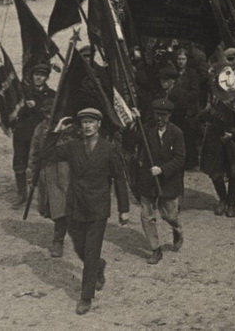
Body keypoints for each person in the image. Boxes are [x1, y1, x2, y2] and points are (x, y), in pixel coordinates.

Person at [47, 108, 131, 316]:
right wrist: (56, 131)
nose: (87, 126)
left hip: (97, 207)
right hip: (75, 205)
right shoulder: (72, 146)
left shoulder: (109, 149)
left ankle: (86, 297)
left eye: (91, 122)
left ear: (98, 124)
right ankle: (98, 267)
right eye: (84, 122)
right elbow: (46, 155)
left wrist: (124, 209)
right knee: (79, 248)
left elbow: (119, 179)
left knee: (91, 251)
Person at [199, 57, 235, 218]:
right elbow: (203, 116)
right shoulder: (213, 94)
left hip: (234, 141)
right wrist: (207, 112)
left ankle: (231, 205)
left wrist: (233, 134)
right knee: (215, 173)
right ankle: (222, 199)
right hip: (215, 138)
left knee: (233, 175)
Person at [136, 99, 185, 265]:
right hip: (148, 179)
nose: (160, 118)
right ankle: (155, 249)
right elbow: (132, 141)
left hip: (168, 181)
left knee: (169, 215)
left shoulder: (176, 133)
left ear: (169, 116)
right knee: (147, 216)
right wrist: (133, 123)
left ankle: (177, 230)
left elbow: (180, 158)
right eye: (157, 114)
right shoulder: (146, 129)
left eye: (163, 115)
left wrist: (163, 169)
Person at [28, 97, 72, 257]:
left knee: (60, 210)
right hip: (46, 173)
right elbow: (34, 152)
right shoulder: (40, 128)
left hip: (64, 173)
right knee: (50, 210)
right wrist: (31, 175)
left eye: (51, 112)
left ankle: (57, 242)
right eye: (46, 113)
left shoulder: (68, 127)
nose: (49, 116)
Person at [13, 63, 56, 208]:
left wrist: (35, 107)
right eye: (36, 75)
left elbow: (51, 115)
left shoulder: (52, 95)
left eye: (42, 75)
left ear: (47, 78)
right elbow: (13, 110)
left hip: (40, 135)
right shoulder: (23, 92)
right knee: (19, 163)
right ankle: (21, 194)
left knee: (42, 164)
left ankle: (45, 196)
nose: (38, 78)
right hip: (22, 134)